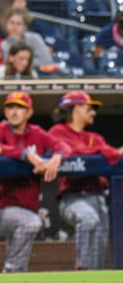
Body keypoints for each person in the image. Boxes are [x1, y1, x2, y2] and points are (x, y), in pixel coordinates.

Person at [0, 92, 68, 272]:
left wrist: (56, 158)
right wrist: (26, 155)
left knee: (23, 230)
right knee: (31, 223)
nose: (14, 112)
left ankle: (15, 280)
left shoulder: (36, 133)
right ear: (5, 111)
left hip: (26, 205)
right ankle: (11, 270)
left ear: (29, 112)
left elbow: (62, 146)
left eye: (20, 108)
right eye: (10, 107)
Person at [49, 91, 122, 270]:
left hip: (98, 197)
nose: (93, 113)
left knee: (98, 252)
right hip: (73, 197)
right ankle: (80, 268)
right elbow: (69, 152)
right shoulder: (57, 132)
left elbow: (114, 155)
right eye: (89, 108)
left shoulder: (94, 138)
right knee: (88, 219)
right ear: (75, 109)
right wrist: (97, 152)